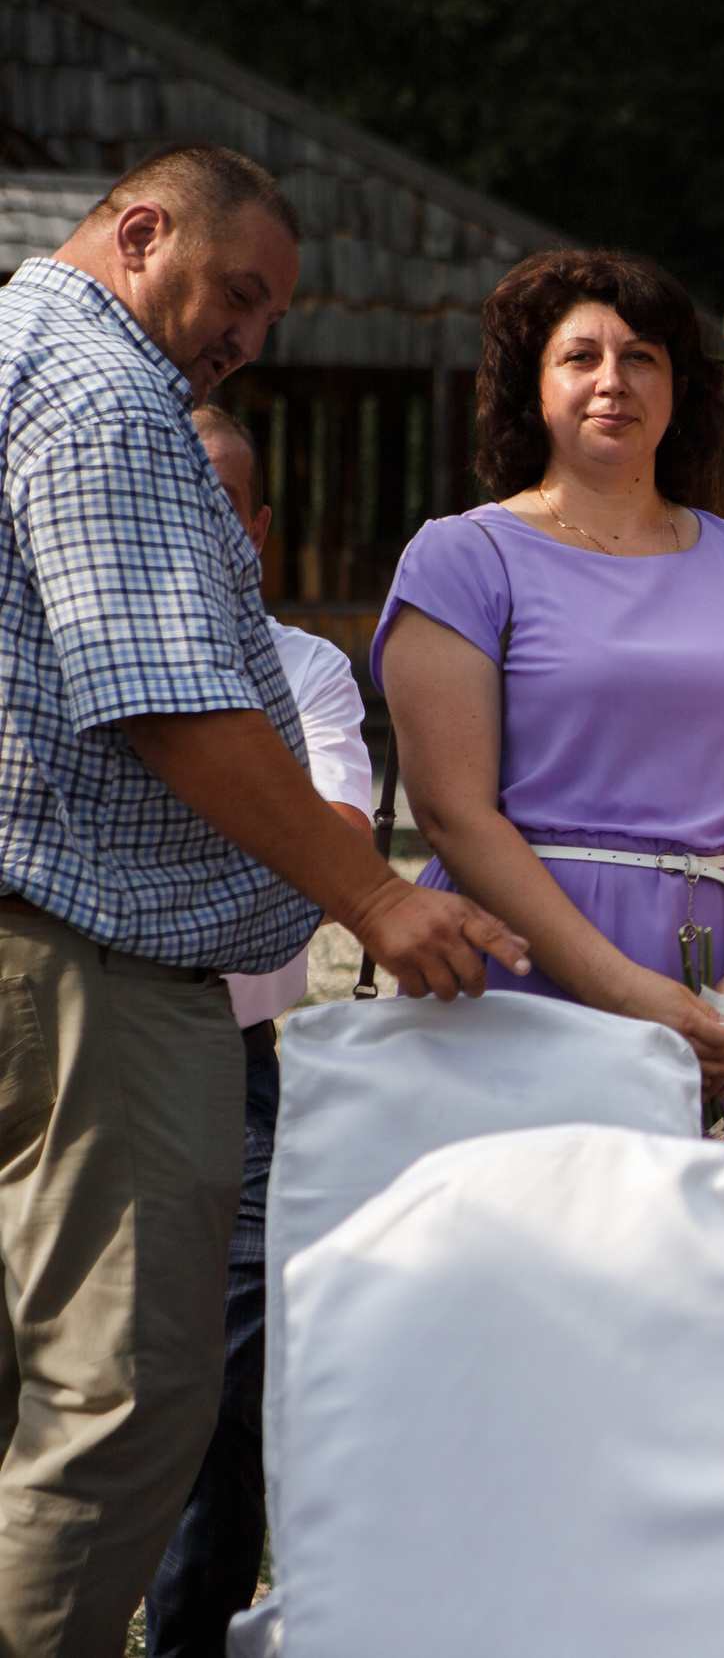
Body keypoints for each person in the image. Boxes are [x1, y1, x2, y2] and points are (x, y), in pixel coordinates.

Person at [0, 144, 521, 1657]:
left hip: (41, 946)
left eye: (267, 317)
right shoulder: (103, 391)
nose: (244, 337)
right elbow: (165, 701)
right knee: (120, 1408)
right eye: (234, 293)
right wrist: (376, 892)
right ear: (140, 228)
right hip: (88, 969)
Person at [375, 249, 724, 1137]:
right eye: (579, 357)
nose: (613, 381)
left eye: (641, 357)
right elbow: (452, 812)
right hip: (522, 968)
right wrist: (627, 992)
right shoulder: (464, 557)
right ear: (532, 386)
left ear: (679, 389)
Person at [141, 407, 374, 1657]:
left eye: (225, 498)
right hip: (82, 1045)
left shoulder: (305, 671)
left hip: (236, 1060)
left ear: (260, 531)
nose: (203, 519)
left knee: (227, 1394)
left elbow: (339, 850)